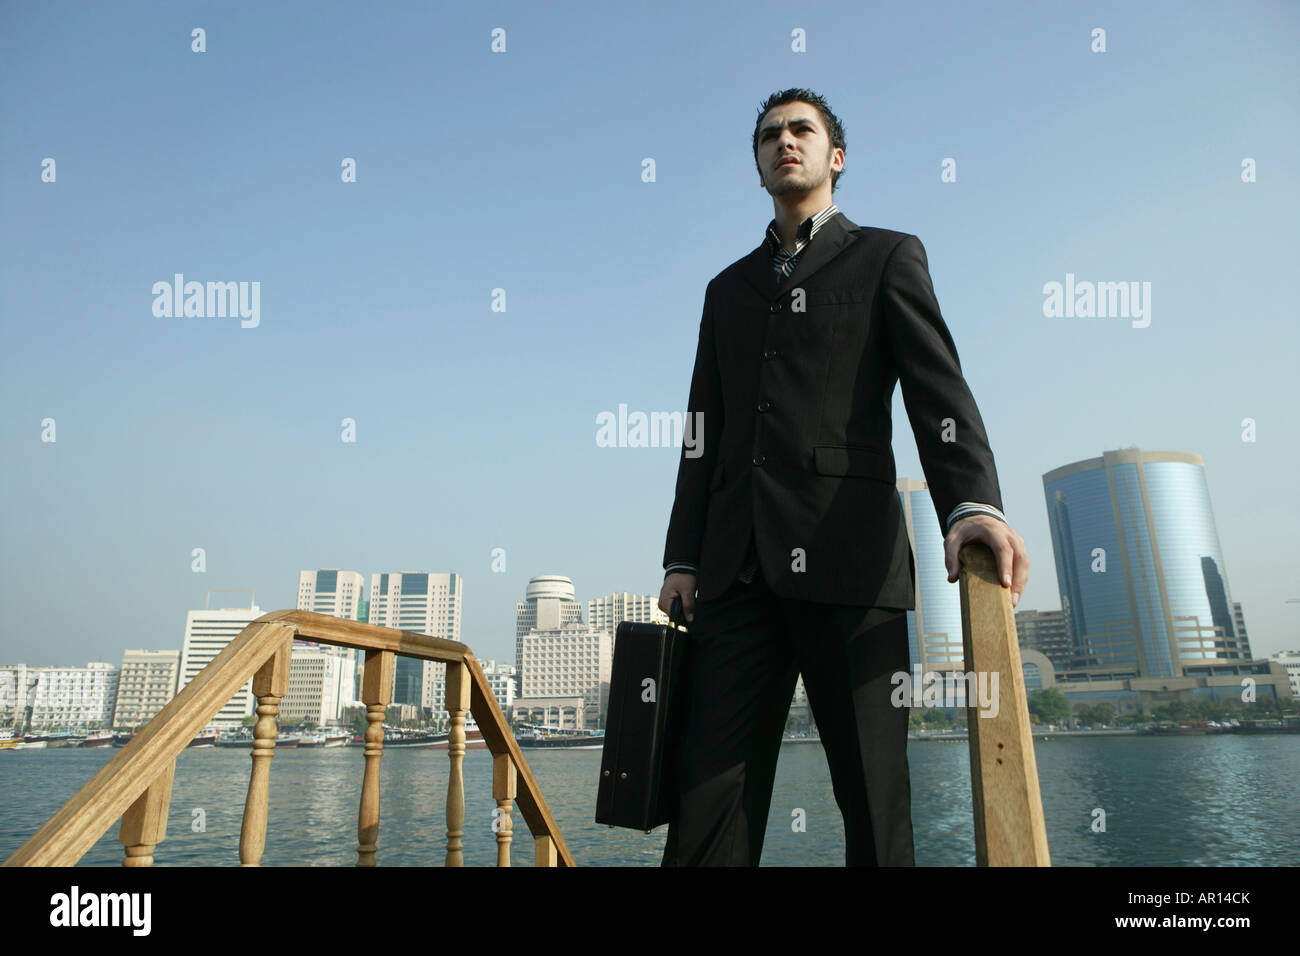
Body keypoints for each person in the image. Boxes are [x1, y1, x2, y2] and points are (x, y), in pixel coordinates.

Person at [658, 88, 1029, 866]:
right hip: (736, 577)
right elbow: (702, 433)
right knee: (706, 805)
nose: (783, 141)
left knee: (872, 801)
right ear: (757, 162)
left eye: (802, 130)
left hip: (850, 567)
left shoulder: (887, 255)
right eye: (768, 135)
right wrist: (682, 557)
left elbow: (939, 392)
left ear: (836, 156)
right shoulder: (725, 289)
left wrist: (971, 503)